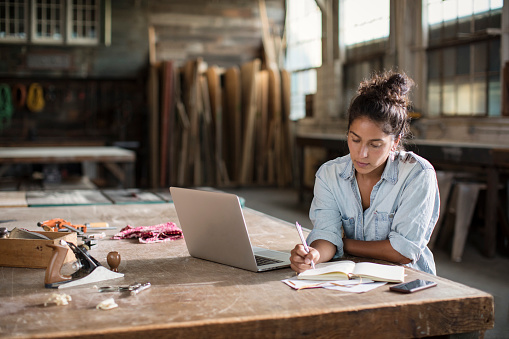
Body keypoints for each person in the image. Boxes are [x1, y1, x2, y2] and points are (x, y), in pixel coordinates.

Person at [290, 70, 439, 275]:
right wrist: (314, 254)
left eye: (375, 144)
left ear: (395, 142)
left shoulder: (417, 175)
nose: (362, 154)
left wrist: (341, 243)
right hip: (352, 277)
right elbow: (326, 234)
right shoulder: (329, 175)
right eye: (355, 139)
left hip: (406, 280)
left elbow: (403, 252)